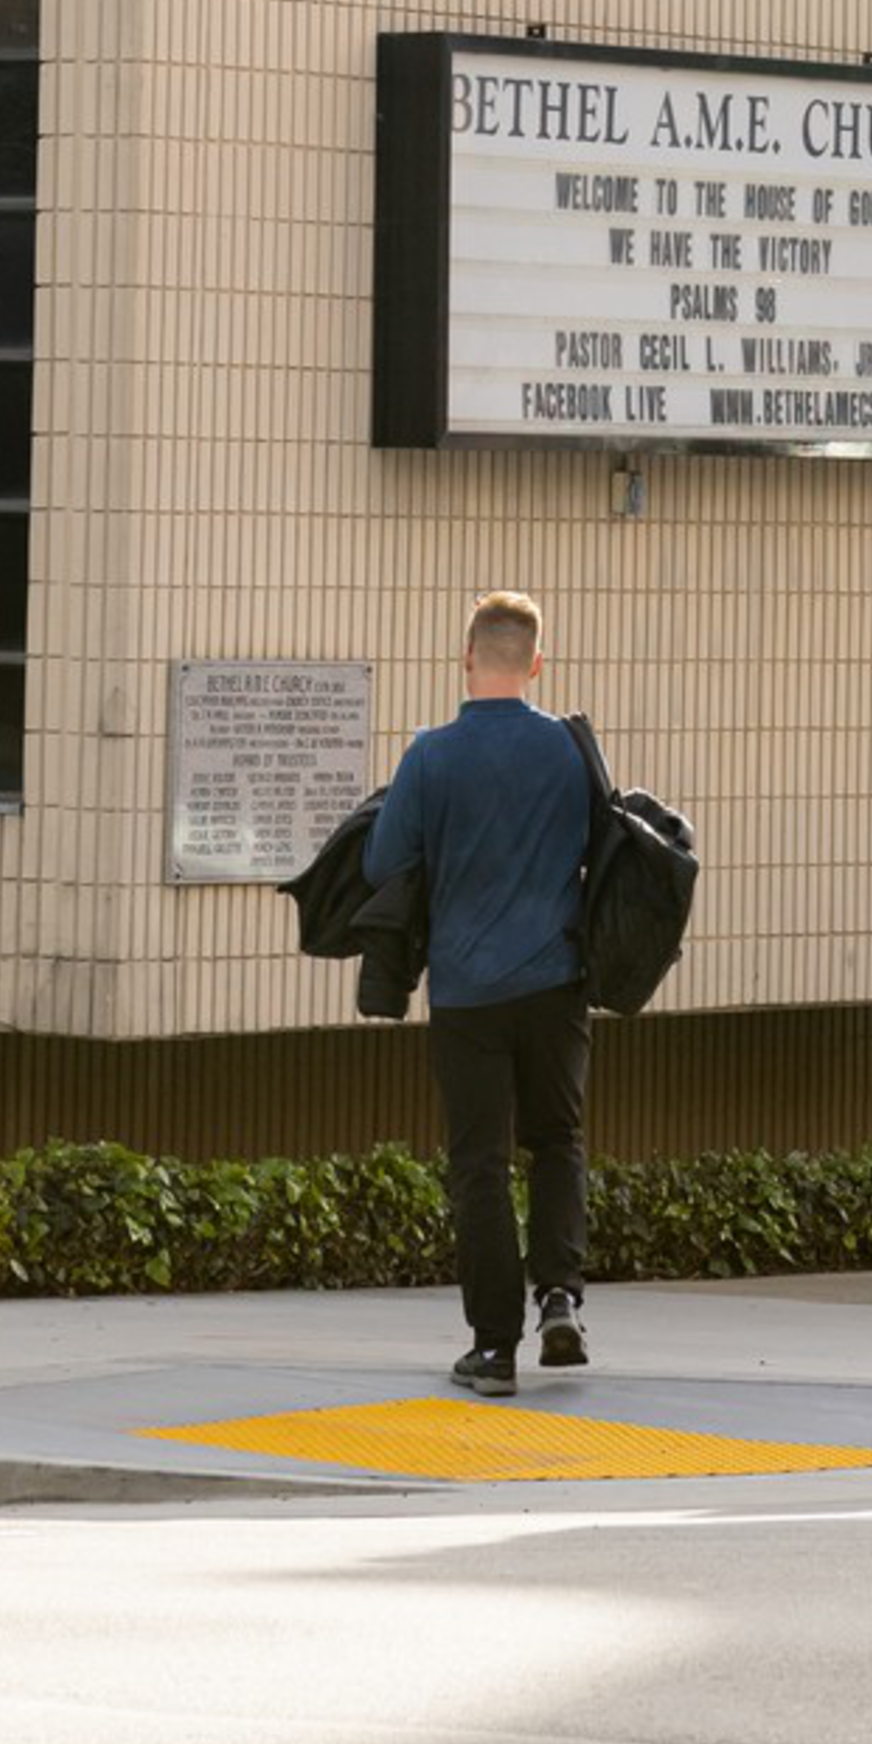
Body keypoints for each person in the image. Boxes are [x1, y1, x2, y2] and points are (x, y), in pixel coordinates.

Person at [365, 588, 596, 1395]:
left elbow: (381, 863)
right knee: (557, 1140)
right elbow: (600, 852)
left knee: (480, 1165)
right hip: (556, 982)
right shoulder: (571, 749)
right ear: (535, 663)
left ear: (466, 658)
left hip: (465, 990)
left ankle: (493, 1349)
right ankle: (560, 1299)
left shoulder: (430, 754)